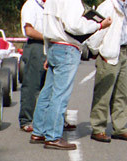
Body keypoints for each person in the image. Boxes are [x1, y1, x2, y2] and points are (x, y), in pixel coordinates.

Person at [31, 0, 112, 150]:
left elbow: (47, 28)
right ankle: (53, 136)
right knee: (60, 94)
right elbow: (75, 25)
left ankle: (38, 131)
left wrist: (48, 52)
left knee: (47, 92)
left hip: (53, 45)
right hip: (67, 47)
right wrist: (99, 25)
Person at [88, 0, 127, 142]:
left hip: (124, 51)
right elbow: (96, 30)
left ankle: (120, 128)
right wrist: (94, 50)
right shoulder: (107, 6)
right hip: (109, 52)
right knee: (103, 92)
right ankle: (98, 128)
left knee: (122, 93)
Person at [20, 0, 48, 132]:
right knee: (32, 84)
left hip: (49, 45)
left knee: (50, 85)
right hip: (36, 45)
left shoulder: (50, 5)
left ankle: (49, 119)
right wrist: (48, 37)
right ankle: (26, 119)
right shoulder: (31, 5)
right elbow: (29, 30)